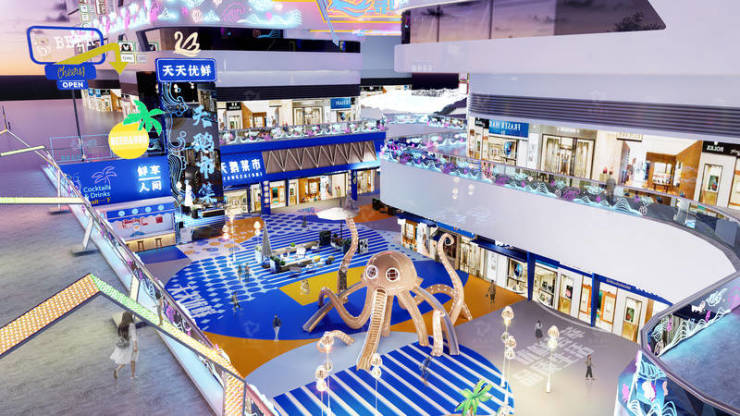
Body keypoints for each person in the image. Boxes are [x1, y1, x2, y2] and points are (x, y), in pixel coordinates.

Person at [110, 311, 138, 379]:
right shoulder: (131, 325)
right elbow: (134, 336)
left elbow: (120, 334)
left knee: (125, 359)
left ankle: (117, 370)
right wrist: (135, 346)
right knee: (132, 360)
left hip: (124, 343)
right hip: (131, 344)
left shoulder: (121, 324)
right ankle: (133, 375)